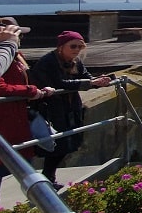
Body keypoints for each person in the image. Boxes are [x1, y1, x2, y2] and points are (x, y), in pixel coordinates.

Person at [29, 31, 112, 188]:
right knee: (57, 144)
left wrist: (98, 80)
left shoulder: (76, 62)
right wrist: (91, 83)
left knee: (69, 143)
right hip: (52, 109)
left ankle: (48, 177)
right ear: (61, 47)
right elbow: (60, 83)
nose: (76, 50)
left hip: (70, 108)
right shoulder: (48, 62)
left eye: (80, 46)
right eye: (73, 46)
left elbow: (85, 76)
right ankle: (46, 179)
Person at [0, 20, 55, 198]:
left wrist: (40, 89)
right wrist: (30, 91)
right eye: (16, 33)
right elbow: (0, 87)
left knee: (24, 167)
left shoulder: (16, 55)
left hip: (18, 121)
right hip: (4, 122)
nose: (19, 37)